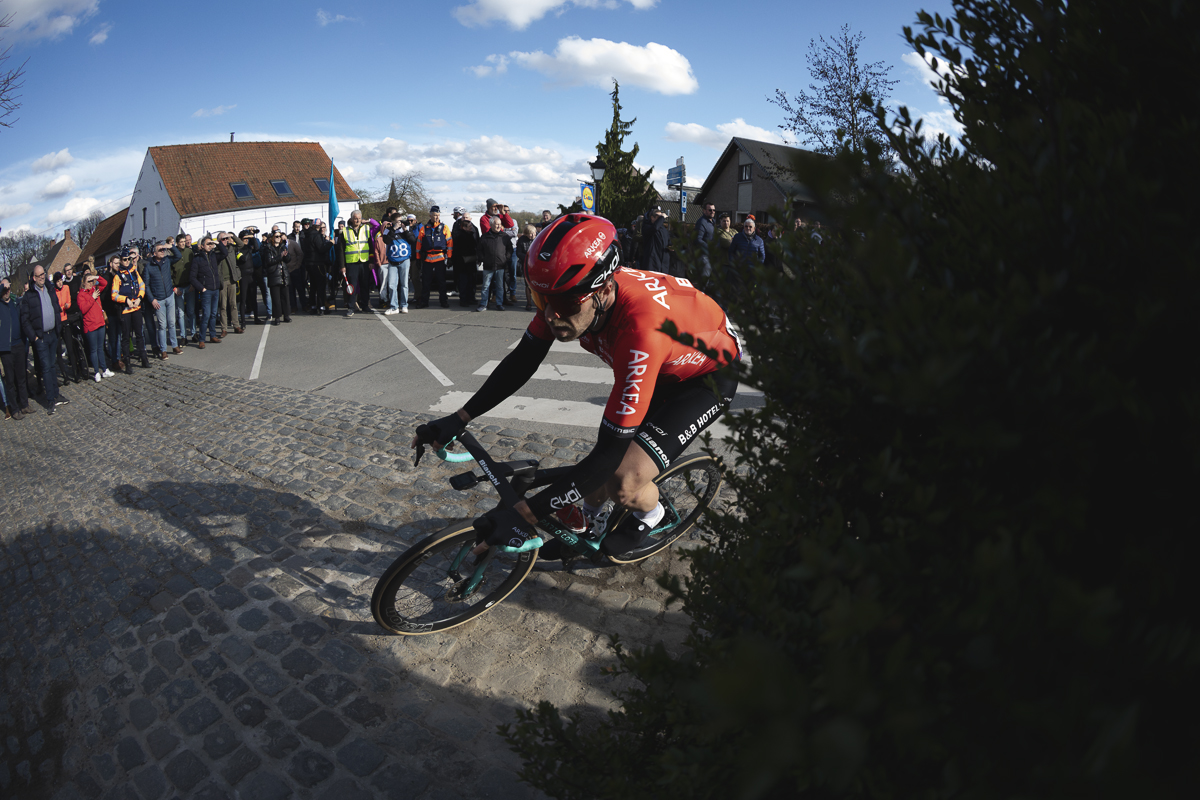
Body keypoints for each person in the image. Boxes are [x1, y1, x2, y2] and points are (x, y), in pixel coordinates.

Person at [412, 214, 740, 561]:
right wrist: (460, 416)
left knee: (622, 481)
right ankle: (590, 517)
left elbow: (609, 457)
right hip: (658, 365)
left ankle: (651, 514)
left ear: (605, 292)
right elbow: (523, 360)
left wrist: (526, 513)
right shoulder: (569, 293)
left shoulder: (641, 331)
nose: (551, 315)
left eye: (565, 305)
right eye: (542, 300)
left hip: (704, 379)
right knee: (598, 463)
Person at [19, 264, 67, 412]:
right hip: (40, 338)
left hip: (52, 334)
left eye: (43, 275)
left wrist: (58, 328)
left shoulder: (50, 289)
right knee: (46, 368)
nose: (41, 277)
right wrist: (34, 337)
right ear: (34, 278)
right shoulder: (29, 296)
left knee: (52, 365)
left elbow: (56, 308)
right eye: (39, 275)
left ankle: (57, 395)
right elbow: (25, 320)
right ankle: (50, 399)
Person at [110, 246, 151, 373]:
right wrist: (125, 300)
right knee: (126, 337)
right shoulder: (117, 277)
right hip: (126, 311)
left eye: (128, 259)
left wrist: (139, 297)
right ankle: (127, 363)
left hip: (136, 307)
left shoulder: (134, 271)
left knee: (140, 334)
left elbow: (142, 285)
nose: (126, 261)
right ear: (121, 261)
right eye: (124, 260)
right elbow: (114, 295)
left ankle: (144, 359)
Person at [0, 277, 31, 419]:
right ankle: (14, 409)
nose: (7, 291)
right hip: (6, 349)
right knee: (10, 381)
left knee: (21, 377)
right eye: (4, 289)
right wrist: (2, 287)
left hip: (19, 344)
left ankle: (24, 404)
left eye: (8, 288)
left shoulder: (15, 302)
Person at [143, 241, 179, 359]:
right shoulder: (149, 266)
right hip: (158, 300)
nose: (163, 251)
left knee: (172, 323)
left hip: (169, 296)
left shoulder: (167, 261)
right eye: (160, 250)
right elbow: (146, 285)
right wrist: (152, 299)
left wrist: (171, 247)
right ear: (154, 253)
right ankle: (163, 350)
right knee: (162, 325)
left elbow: (178, 256)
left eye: (163, 249)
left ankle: (175, 345)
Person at [76, 270, 113, 381]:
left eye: (92, 281)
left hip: (100, 323)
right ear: (83, 283)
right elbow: (83, 309)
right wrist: (92, 297)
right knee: (93, 350)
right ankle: (96, 372)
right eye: (89, 281)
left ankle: (105, 370)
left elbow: (104, 283)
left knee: (100, 348)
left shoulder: (95, 289)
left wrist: (96, 276)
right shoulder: (81, 295)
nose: (91, 283)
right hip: (90, 326)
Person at [189, 235, 226, 347]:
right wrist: (202, 288)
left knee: (214, 314)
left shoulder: (214, 256)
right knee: (206, 315)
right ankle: (202, 339)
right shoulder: (197, 259)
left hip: (215, 289)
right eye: (208, 244)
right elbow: (192, 277)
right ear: (202, 246)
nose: (210, 246)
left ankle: (213, 335)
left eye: (211, 244)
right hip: (206, 291)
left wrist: (217, 243)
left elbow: (225, 253)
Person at [414, 206, 453, 309]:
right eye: (435, 215)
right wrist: (418, 258)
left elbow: (449, 243)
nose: (437, 217)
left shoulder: (444, 227)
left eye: (438, 215)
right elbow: (419, 244)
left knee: (441, 282)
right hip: (427, 259)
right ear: (430, 215)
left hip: (440, 258)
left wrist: (449, 257)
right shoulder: (424, 229)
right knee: (426, 282)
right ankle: (424, 302)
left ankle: (443, 301)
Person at [336, 210, 371, 318]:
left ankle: (365, 305)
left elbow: (371, 245)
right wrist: (342, 266)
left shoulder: (366, 228)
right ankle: (351, 307)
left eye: (359, 218)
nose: (357, 220)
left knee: (365, 285)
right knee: (351, 286)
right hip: (351, 262)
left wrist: (372, 261)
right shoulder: (345, 231)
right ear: (351, 219)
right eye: (355, 218)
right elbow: (340, 250)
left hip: (364, 261)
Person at [475, 215, 512, 312]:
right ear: (491, 225)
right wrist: (483, 259)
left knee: (500, 286)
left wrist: (506, 258)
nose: (499, 226)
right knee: (486, 286)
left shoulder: (505, 237)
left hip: (501, 265)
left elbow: (510, 249)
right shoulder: (484, 237)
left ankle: (499, 304)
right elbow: (479, 250)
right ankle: (483, 304)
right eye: (496, 224)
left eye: (500, 224)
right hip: (488, 265)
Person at [381, 212, 416, 314]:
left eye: (400, 221)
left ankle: (404, 305)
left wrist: (406, 230)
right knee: (392, 285)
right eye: (397, 222)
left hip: (404, 260)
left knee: (404, 284)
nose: (400, 223)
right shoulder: (388, 230)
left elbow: (412, 240)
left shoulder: (406, 228)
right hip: (392, 261)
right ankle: (394, 306)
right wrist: (393, 229)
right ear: (392, 222)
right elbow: (386, 241)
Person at [450, 207, 480, 307]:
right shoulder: (458, 229)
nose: (466, 219)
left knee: (472, 280)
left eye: (467, 217)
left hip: (471, 260)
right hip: (461, 261)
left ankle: (471, 297)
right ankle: (464, 299)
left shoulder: (474, 229)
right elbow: (456, 244)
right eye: (464, 217)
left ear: (470, 219)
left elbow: (477, 243)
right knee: (463, 281)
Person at [260, 230, 290, 325]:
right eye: (276, 236)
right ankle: (277, 317)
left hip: (283, 274)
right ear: (273, 238)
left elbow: (288, 259)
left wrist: (285, 256)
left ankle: (286, 315)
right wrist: (280, 257)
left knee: (285, 297)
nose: (278, 238)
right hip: (273, 275)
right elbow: (269, 262)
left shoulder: (283, 247)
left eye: (279, 236)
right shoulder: (268, 248)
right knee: (276, 298)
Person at [638, 206, 671, 274]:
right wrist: (662, 217)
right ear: (652, 218)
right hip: (652, 263)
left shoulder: (663, 229)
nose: (661, 220)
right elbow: (654, 228)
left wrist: (671, 246)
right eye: (658, 217)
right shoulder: (647, 227)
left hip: (663, 264)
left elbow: (668, 240)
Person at [515, 223, 537, 310]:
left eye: (534, 233)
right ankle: (528, 303)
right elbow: (518, 253)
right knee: (528, 285)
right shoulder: (521, 240)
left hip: (536, 264)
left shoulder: (538, 239)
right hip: (526, 264)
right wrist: (528, 257)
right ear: (526, 234)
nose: (533, 235)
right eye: (531, 234)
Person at [286, 220, 307, 313]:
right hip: (293, 265)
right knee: (291, 288)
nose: (297, 228)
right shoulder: (290, 237)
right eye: (296, 226)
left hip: (302, 263)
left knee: (302, 286)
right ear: (293, 227)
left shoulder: (303, 236)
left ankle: (304, 304)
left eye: (299, 226)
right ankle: (293, 306)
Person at [692, 203, 716, 283]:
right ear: (704, 211)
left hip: (712, 257)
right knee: (704, 282)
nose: (712, 212)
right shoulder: (702, 222)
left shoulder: (713, 222)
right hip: (704, 257)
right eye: (710, 210)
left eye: (713, 210)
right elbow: (697, 239)